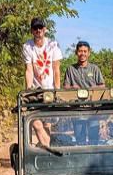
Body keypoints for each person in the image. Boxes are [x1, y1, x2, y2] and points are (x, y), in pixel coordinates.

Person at [23, 17, 62, 147]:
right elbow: (28, 70)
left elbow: (56, 69)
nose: (38, 30)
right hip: (35, 90)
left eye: (40, 28)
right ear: (32, 31)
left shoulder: (53, 44)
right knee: (35, 122)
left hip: (50, 89)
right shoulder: (27, 46)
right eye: (35, 28)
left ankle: (45, 149)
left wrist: (57, 90)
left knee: (47, 123)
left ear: (45, 29)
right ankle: (47, 147)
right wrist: (28, 90)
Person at [64, 41, 104, 144]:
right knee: (80, 140)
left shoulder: (94, 68)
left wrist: (95, 88)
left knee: (94, 139)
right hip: (77, 110)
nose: (83, 53)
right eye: (80, 51)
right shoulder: (70, 69)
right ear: (76, 52)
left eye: (85, 51)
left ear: (89, 53)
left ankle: (94, 160)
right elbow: (65, 87)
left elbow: (102, 86)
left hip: (93, 109)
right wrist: (73, 87)